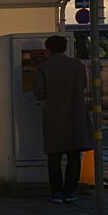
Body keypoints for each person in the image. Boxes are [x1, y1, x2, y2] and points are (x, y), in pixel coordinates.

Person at [34, 34, 93, 203]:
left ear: (48, 49)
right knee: (74, 156)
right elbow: (83, 86)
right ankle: (71, 191)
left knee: (54, 157)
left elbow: (39, 93)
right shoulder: (77, 66)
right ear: (65, 48)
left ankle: (57, 193)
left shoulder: (43, 68)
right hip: (76, 116)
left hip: (54, 116)